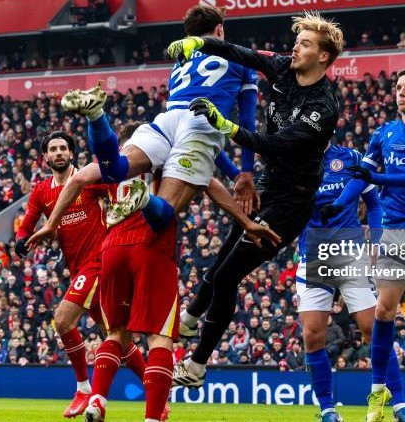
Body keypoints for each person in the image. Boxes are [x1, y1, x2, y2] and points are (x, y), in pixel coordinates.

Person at [27, 123, 279, 422]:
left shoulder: (115, 165)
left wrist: (50, 223)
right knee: (158, 337)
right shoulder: (169, 161)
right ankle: (152, 415)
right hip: (151, 247)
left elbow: (78, 179)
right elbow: (210, 183)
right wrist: (246, 221)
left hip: (111, 250)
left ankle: (96, 398)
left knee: (115, 334)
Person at [167, 11, 343, 388]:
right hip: (266, 189)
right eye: (298, 40)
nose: (296, 46)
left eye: (306, 43)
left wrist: (227, 126)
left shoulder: (325, 106)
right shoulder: (282, 67)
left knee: (229, 275)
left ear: (324, 56)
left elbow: (276, 145)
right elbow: (239, 52)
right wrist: (197, 43)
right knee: (219, 265)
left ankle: (196, 364)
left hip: (291, 204)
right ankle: (190, 318)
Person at [60, 4, 260, 232]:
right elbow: (246, 121)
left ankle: (96, 115)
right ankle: (143, 199)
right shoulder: (241, 59)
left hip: (167, 120)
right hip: (202, 125)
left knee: (114, 170)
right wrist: (246, 172)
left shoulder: (181, 61)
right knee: (162, 215)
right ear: (219, 30)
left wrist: (235, 175)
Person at [328, 69, 405, 421]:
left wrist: (378, 178)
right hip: (395, 232)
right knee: (384, 311)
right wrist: (337, 205)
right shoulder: (383, 133)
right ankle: (378, 391)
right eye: (398, 88)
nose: (401, 93)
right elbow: (360, 176)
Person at [15, 131, 146, 418]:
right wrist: (21, 239)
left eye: (64, 148)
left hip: (99, 261)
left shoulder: (89, 179)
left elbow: (117, 194)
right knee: (116, 338)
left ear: (71, 154)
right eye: (54, 149)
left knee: (62, 319)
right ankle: (155, 385)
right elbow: (27, 224)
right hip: (77, 269)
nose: (59, 152)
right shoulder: (41, 191)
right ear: (46, 157)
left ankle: (84, 389)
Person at [298, 143, 405, 422]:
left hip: (350, 254)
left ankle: (400, 405)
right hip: (313, 256)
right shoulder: (297, 160)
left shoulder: (351, 158)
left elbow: (374, 204)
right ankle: (328, 410)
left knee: (372, 328)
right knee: (312, 335)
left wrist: (376, 241)